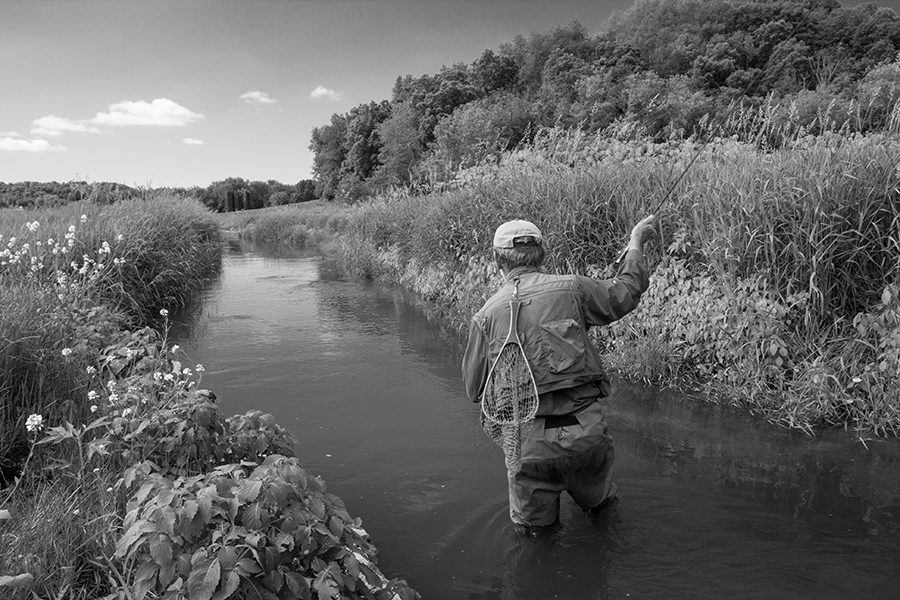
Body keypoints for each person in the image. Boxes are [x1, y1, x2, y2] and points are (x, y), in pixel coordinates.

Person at [462, 215, 656, 530]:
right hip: (587, 436)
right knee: (605, 517)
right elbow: (627, 291)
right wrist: (635, 243)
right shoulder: (574, 288)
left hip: (529, 447)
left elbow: (473, 391)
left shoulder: (485, 317)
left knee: (535, 539)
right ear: (542, 253)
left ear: (498, 260)